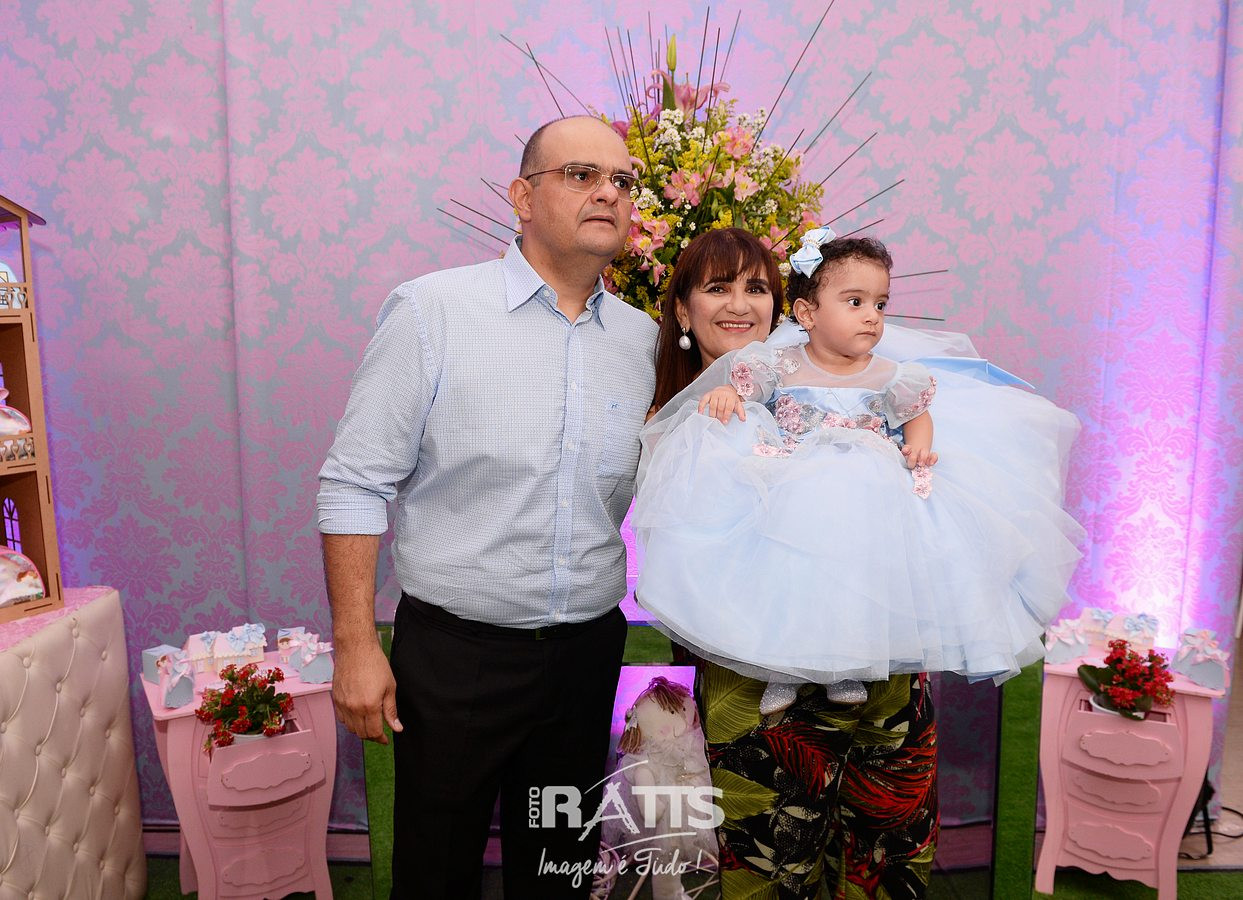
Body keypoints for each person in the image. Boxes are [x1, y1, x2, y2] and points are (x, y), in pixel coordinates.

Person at [633, 226, 1081, 898]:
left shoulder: (864, 373)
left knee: (880, 855)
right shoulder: (689, 416)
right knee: (771, 861)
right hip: (757, 693)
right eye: (718, 287)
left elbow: (926, 488)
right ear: (681, 308)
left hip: (879, 670)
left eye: (757, 287)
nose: (740, 304)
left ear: (786, 305)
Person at [317, 115, 658, 899]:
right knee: (436, 874)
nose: (609, 192)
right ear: (522, 197)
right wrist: (355, 644)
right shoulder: (432, 310)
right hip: (455, 659)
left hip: (583, 659)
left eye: (623, 180)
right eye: (581, 174)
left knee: (558, 873)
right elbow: (354, 482)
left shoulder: (640, 342)